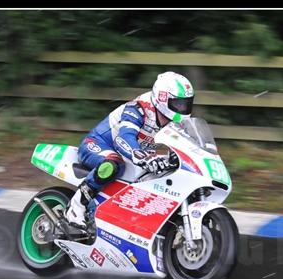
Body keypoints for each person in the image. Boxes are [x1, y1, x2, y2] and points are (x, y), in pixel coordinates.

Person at [65, 71, 195, 226]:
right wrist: (140, 155)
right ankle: (75, 207)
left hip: (131, 152)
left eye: (186, 103)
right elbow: (124, 138)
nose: (183, 108)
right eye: (179, 103)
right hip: (98, 144)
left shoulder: (175, 122)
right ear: (162, 98)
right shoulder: (138, 108)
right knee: (113, 164)